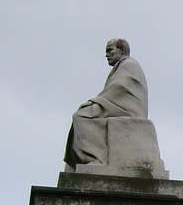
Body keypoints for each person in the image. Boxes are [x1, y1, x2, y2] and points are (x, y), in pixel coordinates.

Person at [63, 38, 148, 168]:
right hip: (115, 105)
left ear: (122, 50)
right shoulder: (121, 66)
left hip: (127, 109)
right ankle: (84, 159)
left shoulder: (129, 64)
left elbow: (118, 88)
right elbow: (114, 91)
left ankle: (96, 159)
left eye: (110, 50)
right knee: (82, 115)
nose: (106, 55)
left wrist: (95, 102)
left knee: (81, 117)